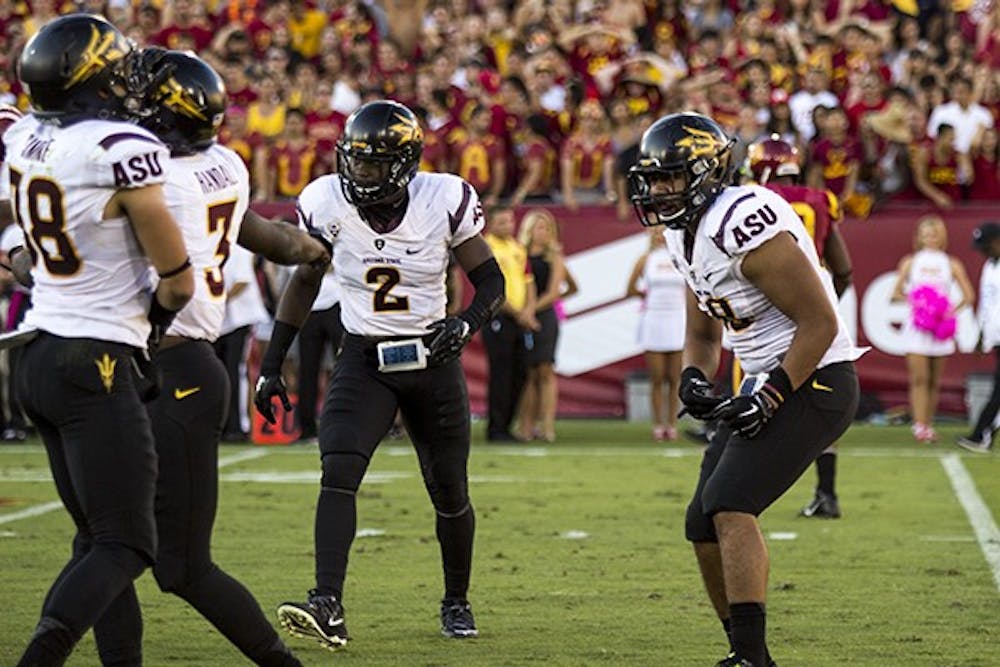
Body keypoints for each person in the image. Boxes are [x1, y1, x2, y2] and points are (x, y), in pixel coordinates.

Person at [91, 50, 330, 666]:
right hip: (175, 367)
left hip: (167, 364)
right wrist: (305, 246)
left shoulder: (155, 179)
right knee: (101, 543)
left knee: (179, 566)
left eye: (141, 99)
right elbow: (257, 232)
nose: (128, 106)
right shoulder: (222, 161)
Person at [253, 100, 505, 650]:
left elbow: (492, 282)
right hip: (365, 357)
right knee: (337, 468)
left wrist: (462, 326)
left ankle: (456, 599)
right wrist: (273, 365)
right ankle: (327, 602)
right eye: (355, 160)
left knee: (449, 491)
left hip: (433, 360)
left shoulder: (443, 198)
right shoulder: (324, 201)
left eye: (372, 164)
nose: (359, 173)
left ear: (404, 163)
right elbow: (303, 282)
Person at [629, 112, 864, 667]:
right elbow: (702, 330)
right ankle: (741, 647)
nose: (659, 190)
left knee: (731, 504)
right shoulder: (682, 233)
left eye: (671, 177)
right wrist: (693, 376)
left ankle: (755, 659)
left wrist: (773, 394)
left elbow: (820, 323)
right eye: (654, 179)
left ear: (709, 173)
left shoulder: (743, 219)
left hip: (817, 376)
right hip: (766, 377)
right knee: (700, 522)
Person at [5, 15, 196, 665]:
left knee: (96, 536)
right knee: (126, 542)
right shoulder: (118, 146)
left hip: (37, 351)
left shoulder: (27, 135)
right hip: (96, 356)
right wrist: (158, 319)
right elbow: (176, 277)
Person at [746, 134, 855, 518]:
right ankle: (826, 492)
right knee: (821, 401)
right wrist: (824, 308)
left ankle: (739, 488)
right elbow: (843, 269)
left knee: (754, 394)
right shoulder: (820, 199)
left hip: (767, 310)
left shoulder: (751, 199)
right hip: (817, 306)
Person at [890, 215, 975, 443]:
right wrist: (918, 303)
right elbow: (896, 293)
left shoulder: (951, 263)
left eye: (935, 234)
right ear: (919, 237)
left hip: (940, 329)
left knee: (934, 380)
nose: (931, 238)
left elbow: (968, 296)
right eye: (926, 234)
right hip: (917, 327)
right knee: (919, 378)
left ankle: (928, 423)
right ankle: (919, 426)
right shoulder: (910, 262)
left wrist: (949, 311)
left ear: (942, 237)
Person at [515, 209, 577, 442]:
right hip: (522, 317)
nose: (545, 233)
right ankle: (526, 425)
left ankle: (547, 425)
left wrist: (531, 310)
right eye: (540, 227)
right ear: (529, 230)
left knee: (545, 370)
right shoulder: (519, 255)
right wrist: (523, 312)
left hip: (545, 318)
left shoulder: (555, 257)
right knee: (528, 373)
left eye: (548, 228)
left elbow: (555, 292)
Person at [483, 205, 539, 442]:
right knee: (501, 375)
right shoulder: (485, 247)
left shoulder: (518, 248)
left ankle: (507, 425)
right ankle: (496, 428)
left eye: (510, 221)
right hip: (499, 317)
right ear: (491, 223)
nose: (508, 226)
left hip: (520, 319)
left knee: (520, 374)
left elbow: (529, 282)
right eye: (502, 222)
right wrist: (517, 313)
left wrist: (528, 311)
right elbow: (490, 287)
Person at [626, 228, 686, 442]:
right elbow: (630, 289)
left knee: (674, 378)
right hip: (654, 320)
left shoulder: (681, 257)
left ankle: (672, 423)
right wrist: (646, 296)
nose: (660, 236)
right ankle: (658, 424)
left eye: (664, 232)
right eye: (657, 233)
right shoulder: (646, 259)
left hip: (677, 320)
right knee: (657, 378)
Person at [957, 221, 1000, 453]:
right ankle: (983, 433)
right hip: (996, 336)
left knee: (998, 389)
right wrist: (981, 335)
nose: (982, 251)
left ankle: (981, 433)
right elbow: (986, 303)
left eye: (985, 246)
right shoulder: (989, 266)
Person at [296, 263, 344, 442]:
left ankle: (346, 424)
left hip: (336, 302)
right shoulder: (298, 234)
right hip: (307, 306)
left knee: (345, 367)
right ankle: (307, 428)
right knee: (307, 370)